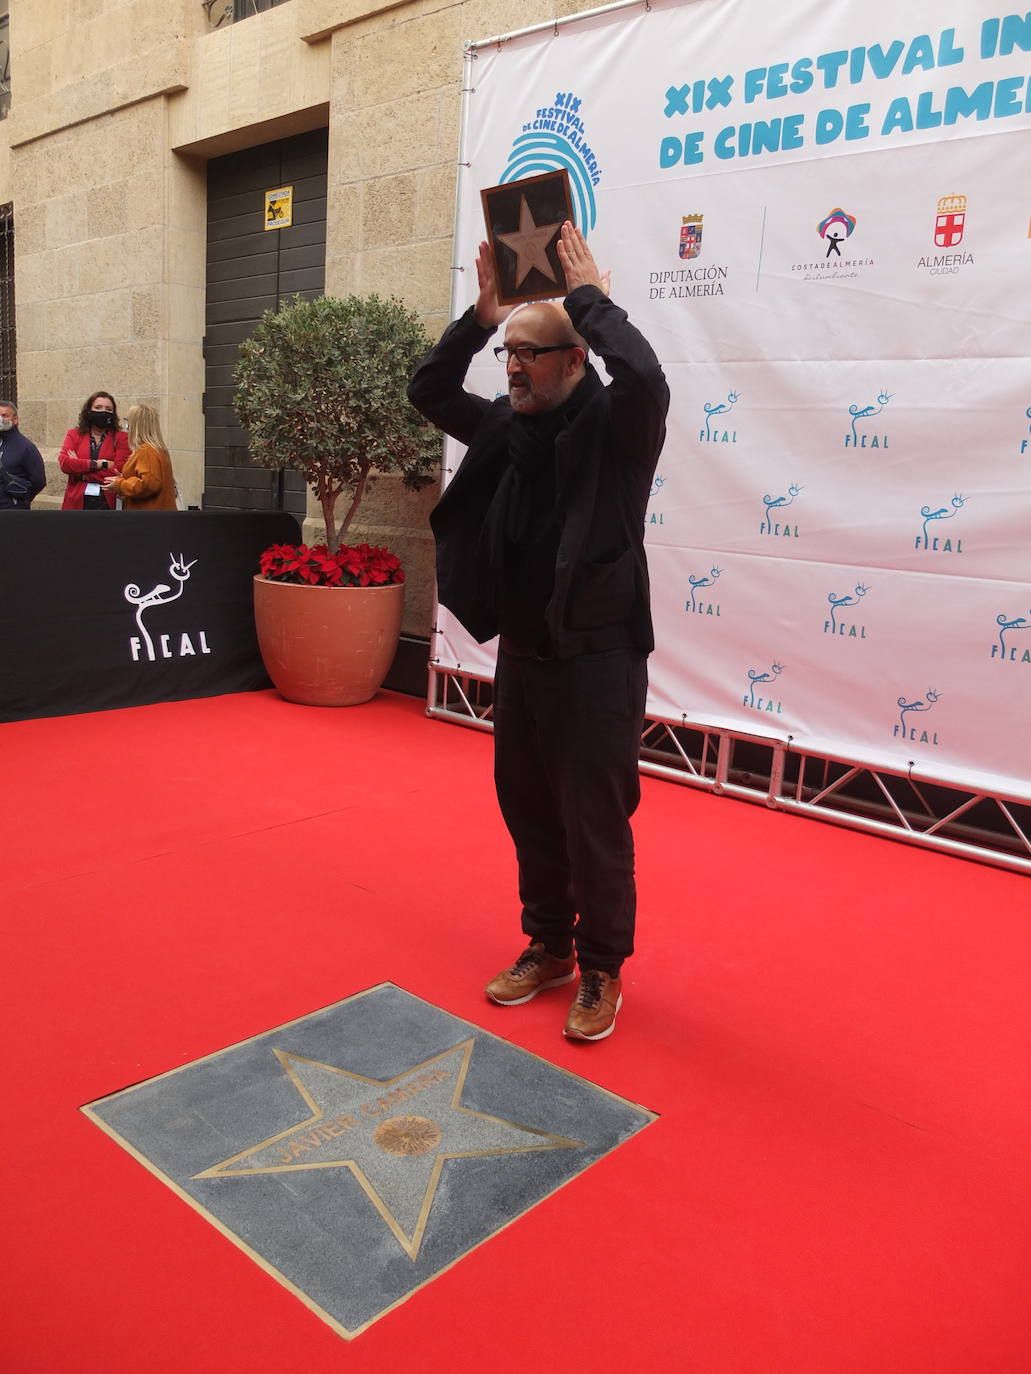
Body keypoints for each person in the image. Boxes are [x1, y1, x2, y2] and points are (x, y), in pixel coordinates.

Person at [408, 221, 669, 1042]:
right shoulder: (500, 427)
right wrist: (481, 317)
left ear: (574, 360)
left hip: (597, 659)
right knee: (526, 809)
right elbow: (427, 388)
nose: (513, 365)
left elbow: (648, 380)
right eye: (507, 353)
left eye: (530, 352)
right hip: (521, 655)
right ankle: (548, 944)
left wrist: (588, 300)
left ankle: (600, 969)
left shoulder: (617, 434)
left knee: (593, 817)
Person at [58, 391, 129, 509]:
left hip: (107, 502)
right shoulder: (74, 434)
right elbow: (65, 463)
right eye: (98, 407)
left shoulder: (121, 438)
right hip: (77, 502)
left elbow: (119, 470)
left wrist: (82, 474)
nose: (103, 412)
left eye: (108, 409)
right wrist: (101, 464)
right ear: (89, 411)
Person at [101, 403, 177, 510]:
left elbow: (149, 484)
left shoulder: (146, 450)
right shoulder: (158, 448)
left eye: (128, 421)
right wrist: (124, 478)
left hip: (148, 517)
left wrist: (120, 485)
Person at [0, 400, 46, 510]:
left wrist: (21, 498)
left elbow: (38, 481)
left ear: (15, 419)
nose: (1, 419)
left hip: (12, 510)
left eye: (4, 415)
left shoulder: (26, 447)